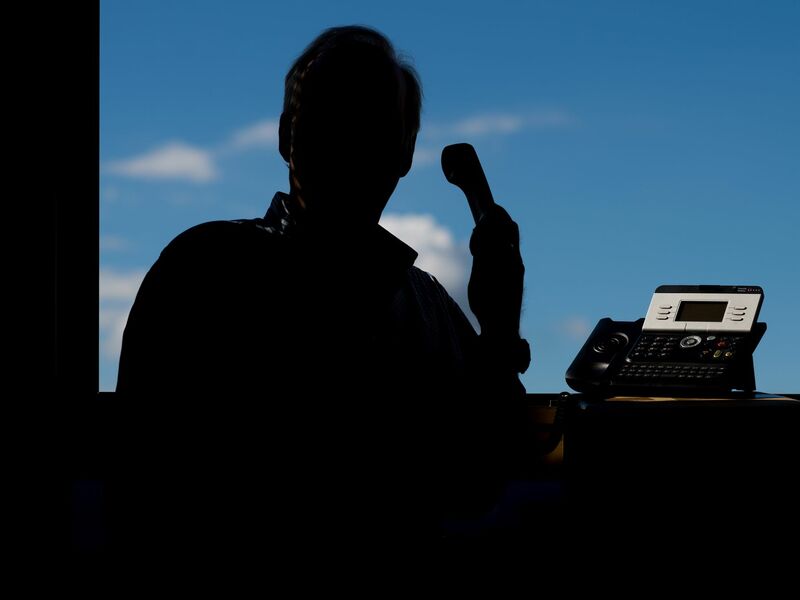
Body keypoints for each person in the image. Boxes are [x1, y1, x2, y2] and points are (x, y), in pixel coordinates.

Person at [114, 25, 531, 556]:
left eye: (374, 125)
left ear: (403, 156)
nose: (352, 141)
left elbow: (478, 483)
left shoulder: (427, 304)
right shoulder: (201, 273)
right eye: (333, 117)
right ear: (288, 136)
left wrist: (498, 328)